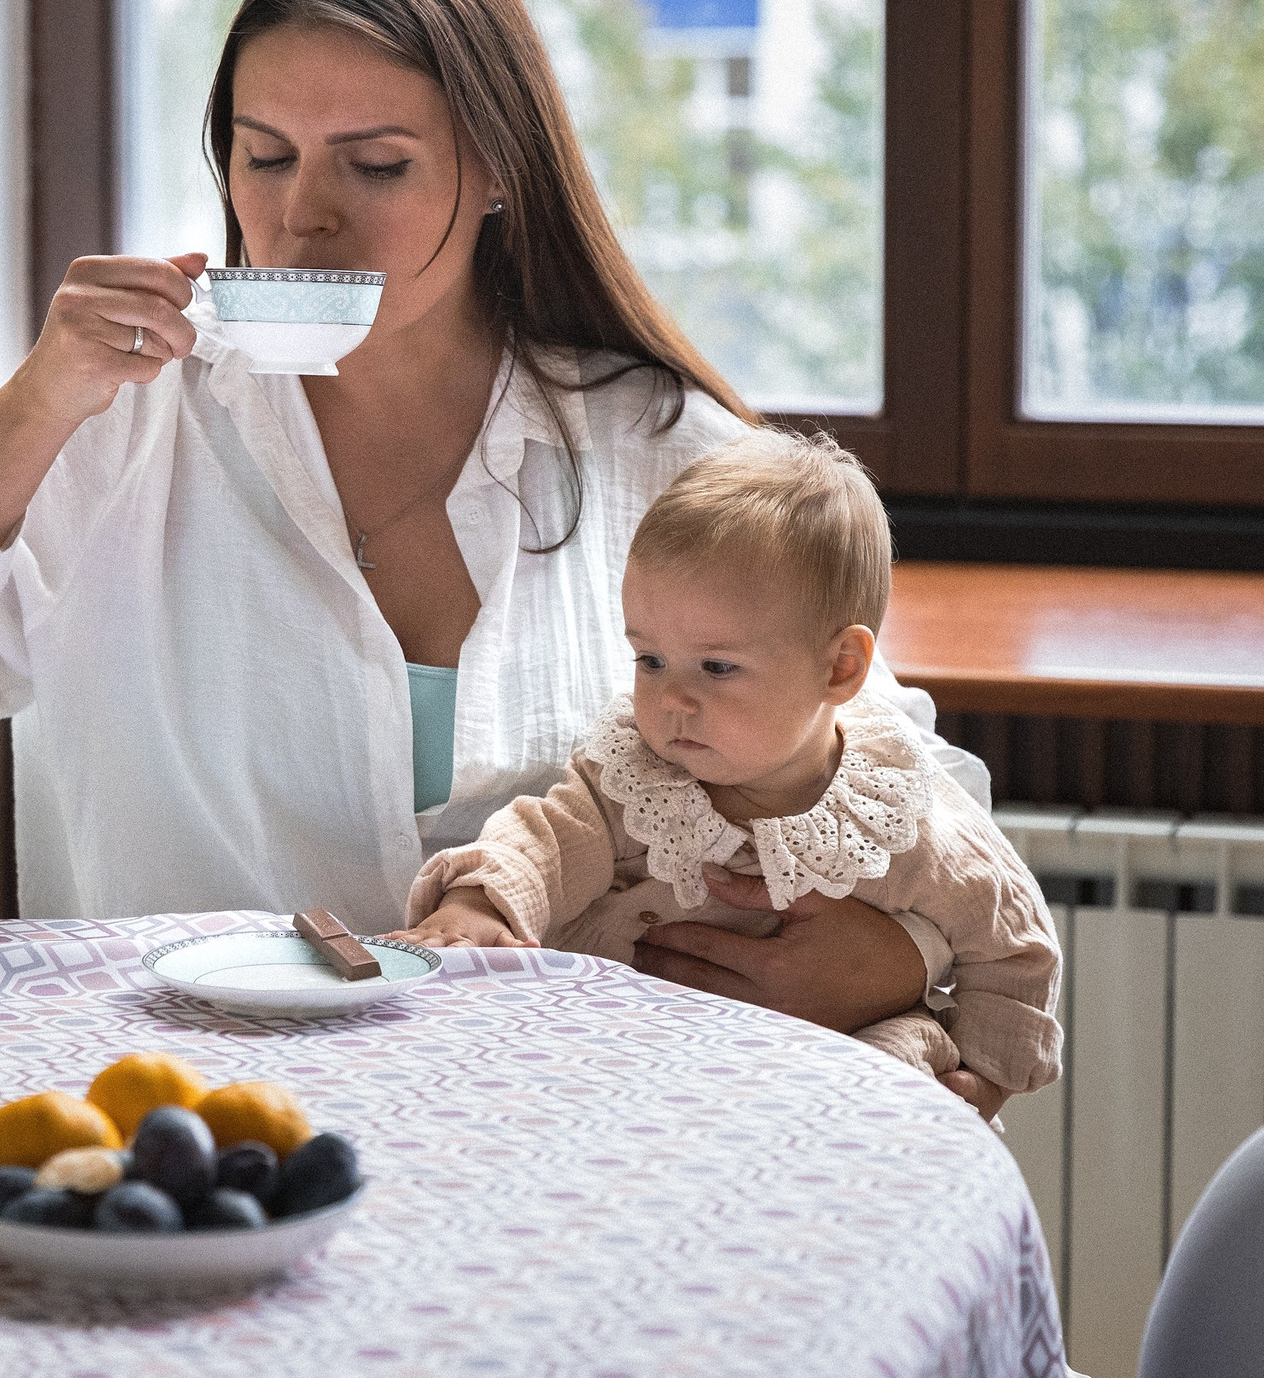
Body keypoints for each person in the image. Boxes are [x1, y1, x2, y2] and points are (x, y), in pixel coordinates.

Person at [0, 0, 986, 1035]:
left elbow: (907, 785)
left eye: (375, 164)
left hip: (569, 1125)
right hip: (192, 1118)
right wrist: (37, 402)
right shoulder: (114, 429)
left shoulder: (662, 455)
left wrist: (904, 956)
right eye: (263, 158)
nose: (301, 219)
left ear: (499, 172)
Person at [390, 432, 1060, 1121]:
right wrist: (478, 902)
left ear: (840, 669)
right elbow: (547, 839)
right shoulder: (635, 772)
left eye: (716, 667)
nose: (671, 699)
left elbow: (1016, 941)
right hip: (636, 1066)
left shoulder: (895, 807)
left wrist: (991, 1075)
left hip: (825, 1072)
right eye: (650, 659)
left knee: (895, 1068)